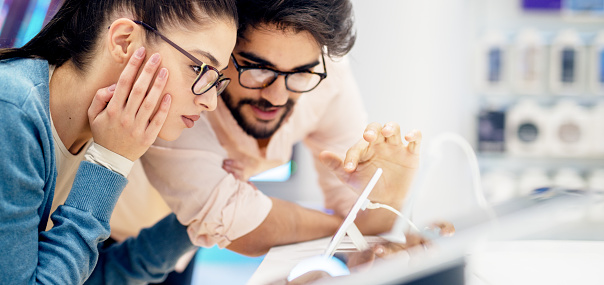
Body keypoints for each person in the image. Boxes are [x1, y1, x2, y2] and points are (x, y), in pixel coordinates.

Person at [112, 0, 420, 266]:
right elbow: (238, 223)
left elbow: (357, 203)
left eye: (300, 74)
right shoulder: (185, 88)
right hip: (107, 237)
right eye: (258, 69)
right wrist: (349, 229)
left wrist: (386, 196)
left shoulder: (327, 72)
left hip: (181, 248)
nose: (277, 98)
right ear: (223, 45)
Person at [0, 0, 237, 283]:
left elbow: (91, 277)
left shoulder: (105, 131)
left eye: (217, 78)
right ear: (125, 42)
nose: (210, 101)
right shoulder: (12, 110)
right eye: (199, 68)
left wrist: (191, 224)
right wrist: (108, 164)